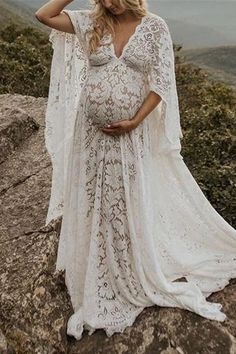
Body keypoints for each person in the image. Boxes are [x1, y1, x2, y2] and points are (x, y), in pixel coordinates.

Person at [35, 0, 236, 341]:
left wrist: (134, 121)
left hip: (130, 134)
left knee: (126, 196)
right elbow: (45, 15)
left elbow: (161, 84)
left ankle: (130, 261)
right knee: (95, 194)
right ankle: (99, 267)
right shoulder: (91, 22)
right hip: (92, 134)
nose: (109, 3)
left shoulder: (154, 27)